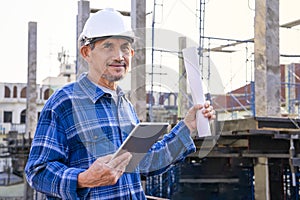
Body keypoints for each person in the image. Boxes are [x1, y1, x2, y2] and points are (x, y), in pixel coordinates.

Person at [25, 8, 215, 200]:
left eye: (125, 47)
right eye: (108, 46)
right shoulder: (64, 103)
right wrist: (84, 179)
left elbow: (146, 162)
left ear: (132, 53)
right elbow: (37, 172)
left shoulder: (125, 105)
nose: (119, 56)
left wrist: (187, 126)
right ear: (86, 52)